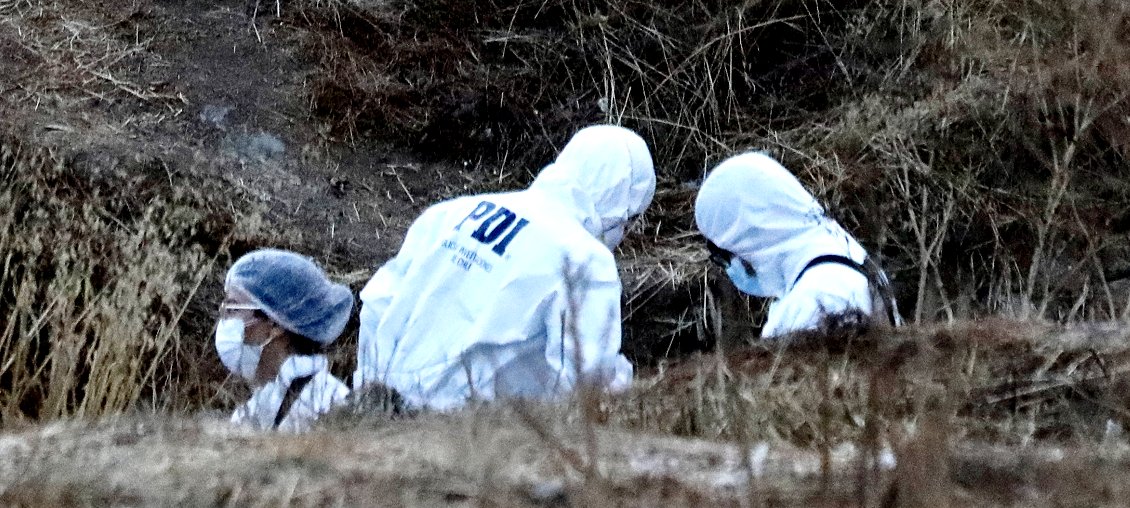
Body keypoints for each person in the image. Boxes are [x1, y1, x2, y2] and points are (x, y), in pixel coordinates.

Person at [354, 125, 656, 410]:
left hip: (380, 406)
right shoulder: (586, 260)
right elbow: (588, 385)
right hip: (468, 435)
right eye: (629, 221)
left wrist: (371, 392)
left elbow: (378, 303)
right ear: (621, 207)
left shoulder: (450, 213)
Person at [695, 152, 899, 338]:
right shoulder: (851, 258)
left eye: (724, 258)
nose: (731, 270)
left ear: (749, 240)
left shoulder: (811, 301)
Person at [215, 249, 354, 431]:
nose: (224, 321)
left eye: (233, 309)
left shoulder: (329, 405)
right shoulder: (256, 408)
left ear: (275, 324)